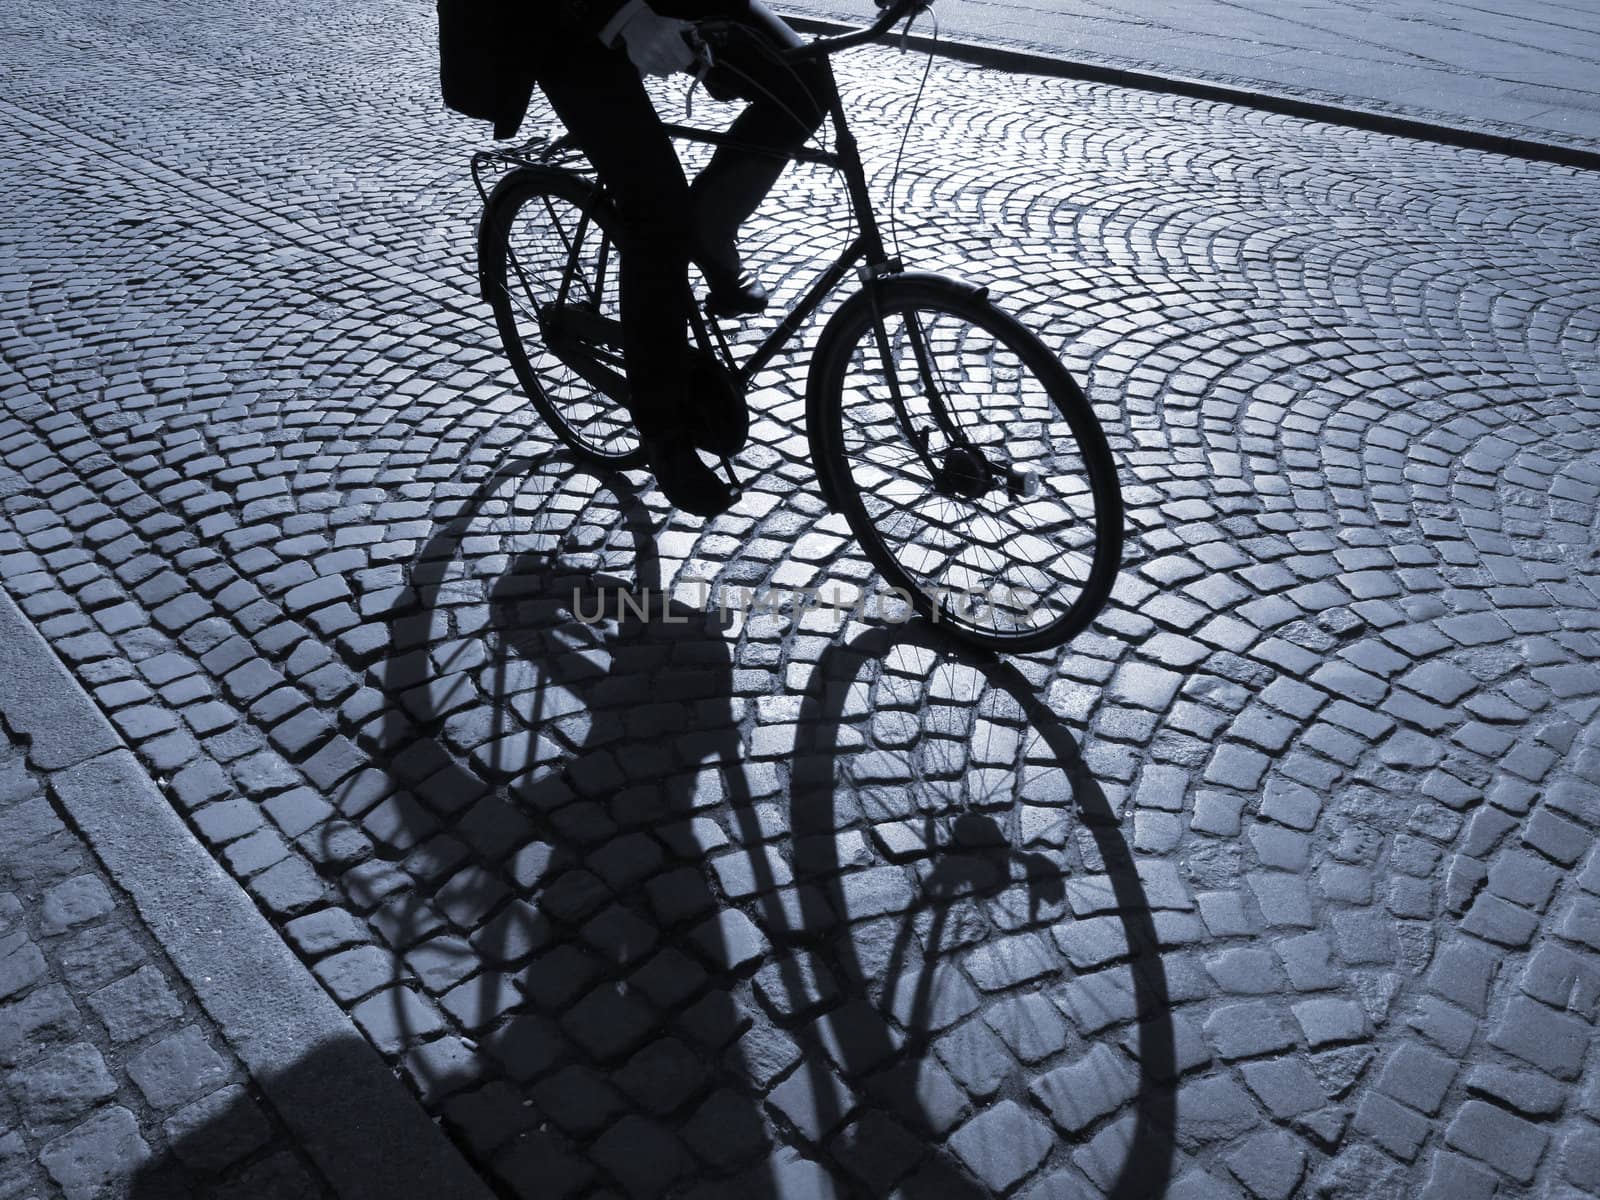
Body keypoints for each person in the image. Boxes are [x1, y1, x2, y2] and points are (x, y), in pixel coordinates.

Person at [444, 0, 828, 515]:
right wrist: (624, 17)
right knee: (657, 207)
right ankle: (664, 432)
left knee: (803, 84)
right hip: (559, 17)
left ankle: (712, 229)